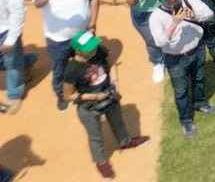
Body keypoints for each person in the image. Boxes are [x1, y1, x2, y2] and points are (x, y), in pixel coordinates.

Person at [60, 30, 149, 178]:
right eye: (90, 49)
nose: (94, 50)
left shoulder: (99, 52)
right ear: (78, 51)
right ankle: (101, 162)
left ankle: (125, 142)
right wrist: (94, 96)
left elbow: (113, 62)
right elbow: (68, 96)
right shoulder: (72, 69)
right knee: (95, 136)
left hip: (109, 95)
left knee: (118, 122)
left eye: (94, 47)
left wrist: (115, 83)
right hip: (89, 107)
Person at [146, 0, 215, 139]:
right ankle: (186, 121)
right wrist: (174, 24)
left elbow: (209, 14)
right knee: (181, 91)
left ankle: (200, 103)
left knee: (200, 79)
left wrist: (193, 16)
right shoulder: (155, 18)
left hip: (198, 48)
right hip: (176, 59)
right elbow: (161, 42)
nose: (173, 0)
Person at [33, 0, 98, 112]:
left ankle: (87, 86)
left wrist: (92, 24)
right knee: (60, 68)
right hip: (58, 39)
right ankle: (62, 94)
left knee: (87, 62)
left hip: (82, 34)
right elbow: (37, 3)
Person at [0, 0, 25, 112]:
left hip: (5, 33)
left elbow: (18, 13)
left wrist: (11, 39)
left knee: (12, 63)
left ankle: (14, 95)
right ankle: (28, 61)